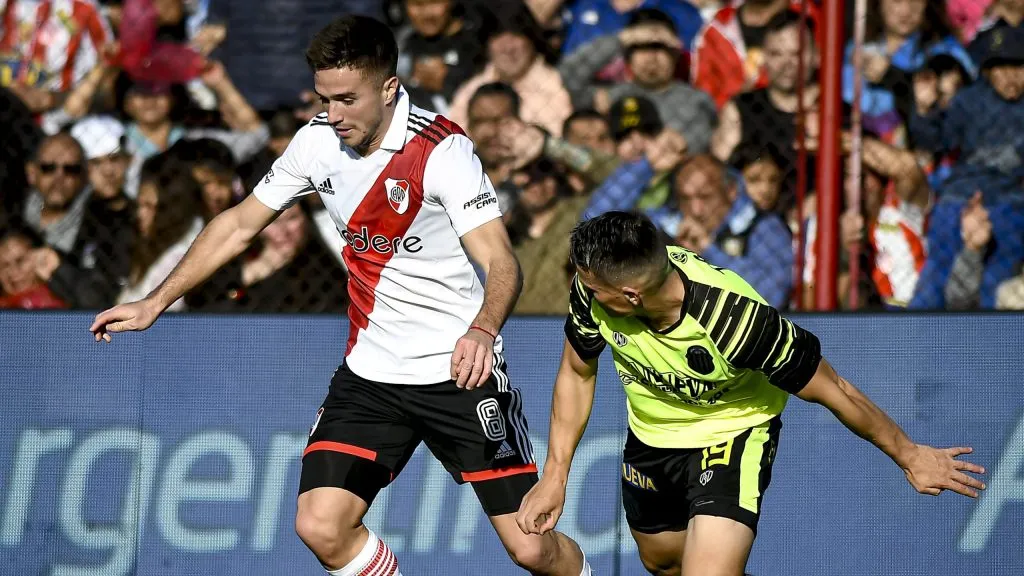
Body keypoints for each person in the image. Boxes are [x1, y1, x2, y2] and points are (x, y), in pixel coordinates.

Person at [89, 15, 592, 576]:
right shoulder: (314, 143)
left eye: (347, 99)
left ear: (388, 88)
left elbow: (502, 260)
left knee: (531, 548)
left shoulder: (442, 150)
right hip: (371, 376)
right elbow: (237, 225)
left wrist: (482, 329)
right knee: (320, 525)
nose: (334, 114)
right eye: (324, 98)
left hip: (457, 372)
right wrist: (154, 302)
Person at [515, 211, 987, 576]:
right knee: (662, 564)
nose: (584, 291)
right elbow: (577, 373)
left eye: (595, 288)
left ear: (632, 294)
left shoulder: (737, 323)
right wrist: (557, 476)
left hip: (733, 433)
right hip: (652, 438)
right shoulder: (592, 288)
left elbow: (834, 389)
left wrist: (909, 455)